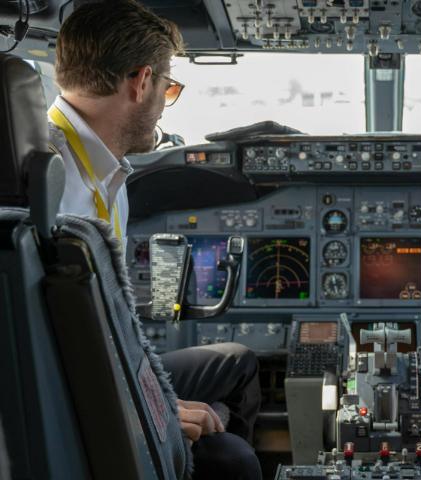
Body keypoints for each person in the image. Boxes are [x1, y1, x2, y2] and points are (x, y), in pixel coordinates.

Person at [49, 2, 261, 478]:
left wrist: (155, 396)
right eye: (170, 87)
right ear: (142, 82)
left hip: (104, 363)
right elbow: (59, 354)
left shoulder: (98, 172)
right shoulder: (53, 190)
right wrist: (151, 412)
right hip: (78, 392)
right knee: (235, 461)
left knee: (237, 362)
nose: (166, 98)